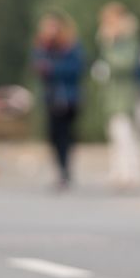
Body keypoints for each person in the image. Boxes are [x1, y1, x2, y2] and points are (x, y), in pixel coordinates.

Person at [32, 13, 84, 190]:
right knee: (53, 135)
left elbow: (76, 69)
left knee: (66, 135)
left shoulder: (70, 47)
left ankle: (65, 170)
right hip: (52, 98)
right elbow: (37, 65)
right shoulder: (43, 47)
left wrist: (53, 69)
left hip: (69, 98)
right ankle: (60, 171)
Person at [94, 2, 140, 190]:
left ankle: (131, 172)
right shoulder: (114, 40)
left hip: (124, 94)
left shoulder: (127, 39)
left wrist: (108, 46)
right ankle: (118, 171)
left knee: (125, 135)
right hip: (112, 94)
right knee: (115, 134)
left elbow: (126, 63)